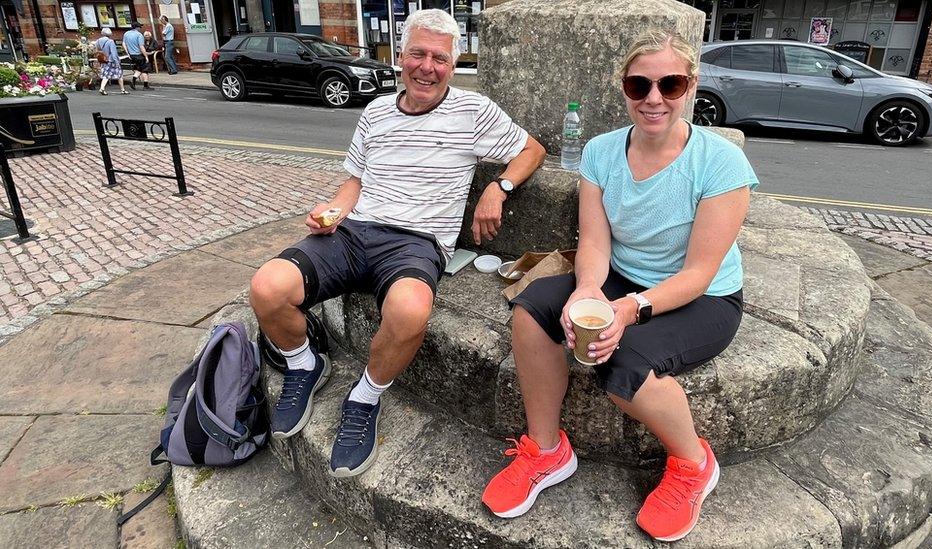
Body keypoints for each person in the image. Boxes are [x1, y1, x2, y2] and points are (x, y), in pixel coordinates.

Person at [482, 30, 759, 542]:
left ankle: (693, 463)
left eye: (670, 84)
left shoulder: (720, 163)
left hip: (704, 296)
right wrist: (588, 287)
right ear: (624, 88)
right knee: (532, 308)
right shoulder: (601, 151)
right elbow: (595, 240)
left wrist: (629, 309)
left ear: (690, 86)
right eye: (640, 85)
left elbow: (699, 274)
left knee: (624, 362)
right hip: (621, 275)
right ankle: (546, 451)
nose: (654, 98)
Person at [249, 8, 545, 477]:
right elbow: (354, 181)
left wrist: (498, 187)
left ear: (453, 63)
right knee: (267, 286)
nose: (428, 67)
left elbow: (532, 149)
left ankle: (365, 397)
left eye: (440, 58)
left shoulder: (473, 111)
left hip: (416, 242)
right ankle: (304, 363)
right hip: (353, 233)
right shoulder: (376, 111)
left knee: (409, 310)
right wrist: (333, 211)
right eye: (418, 54)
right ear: (400, 56)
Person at [95, 28, 128, 96]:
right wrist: (117, 62)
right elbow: (113, 53)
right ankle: (122, 89)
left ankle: (102, 88)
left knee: (106, 75)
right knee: (119, 74)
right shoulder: (110, 41)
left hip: (103, 60)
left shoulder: (98, 41)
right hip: (111, 61)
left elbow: (97, 50)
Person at [122, 22, 153, 90]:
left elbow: (123, 44)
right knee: (145, 69)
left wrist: (128, 53)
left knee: (139, 68)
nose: (140, 28)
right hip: (138, 54)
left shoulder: (126, 34)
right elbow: (141, 47)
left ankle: (133, 81)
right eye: (139, 27)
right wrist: (146, 56)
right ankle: (145, 86)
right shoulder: (139, 35)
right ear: (137, 27)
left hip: (132, 55)